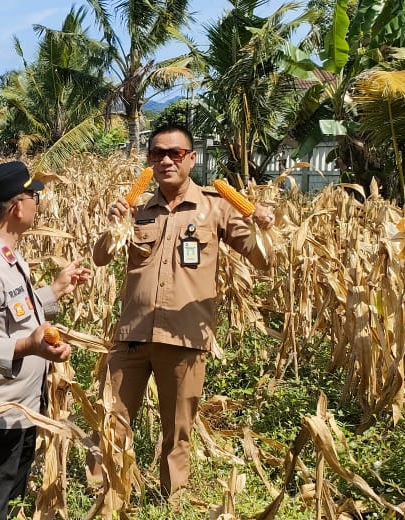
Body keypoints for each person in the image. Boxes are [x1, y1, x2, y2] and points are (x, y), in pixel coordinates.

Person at [93, 124, 274, 498]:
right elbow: (100, 258)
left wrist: (262, 227)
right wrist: (114, 225)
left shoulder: (215, 207)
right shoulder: (138, 210)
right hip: (132, 336)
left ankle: (172, 501)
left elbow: (264, 261)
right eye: (157, 153)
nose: (165, 161)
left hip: (184, 337)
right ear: (149, 160)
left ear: (191, 159)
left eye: (175, 153)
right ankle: (100, 497)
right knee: (111, 421)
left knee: (177, 431)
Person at [0, 161, 90, 520]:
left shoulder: (6, 255)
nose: (38, 202)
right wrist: (28, 347)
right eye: (33, 195)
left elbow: (11, 313)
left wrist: (54, 291)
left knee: (3, 510)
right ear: (17, 207)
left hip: (15, 416)